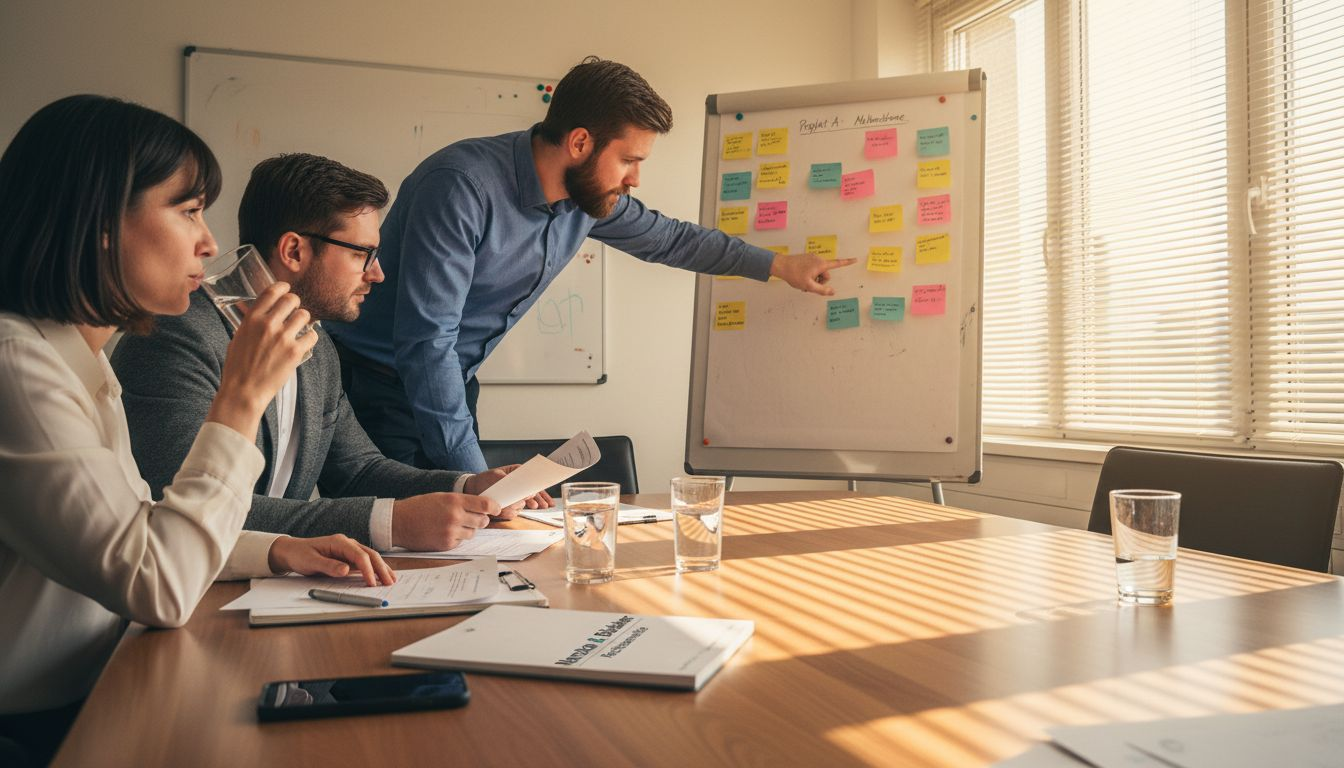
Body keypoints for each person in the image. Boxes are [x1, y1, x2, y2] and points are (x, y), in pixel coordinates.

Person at [0, 95, 394, 766]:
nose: (210, 243)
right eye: (187, 211)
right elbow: (158, 586)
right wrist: (240, 400)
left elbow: (136, 529)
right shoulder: (19, 370)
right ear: (98, 223)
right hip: (42, 721)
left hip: (95, 682)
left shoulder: (77, 357)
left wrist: (271, 552)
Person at [328, 56, 857, 472]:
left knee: (464, 538)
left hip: (452, 383)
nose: (635, 180)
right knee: (407, 552)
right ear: (580, 142)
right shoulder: (463, 187)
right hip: (377, 387)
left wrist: (778, 265)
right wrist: (476, 477)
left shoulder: (584, 202)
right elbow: (427, 341)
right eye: (629, 160)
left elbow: (671, 240)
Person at [113, 154, 544, 555]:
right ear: (295, 251)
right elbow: (187, 510)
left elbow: (356, 469)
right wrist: (388, 522)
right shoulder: (177, 338)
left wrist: (468, 486)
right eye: (362, 254)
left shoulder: (315, 343)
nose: (377, 273)